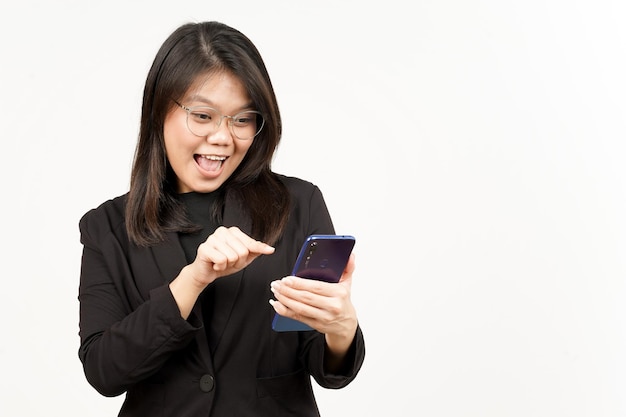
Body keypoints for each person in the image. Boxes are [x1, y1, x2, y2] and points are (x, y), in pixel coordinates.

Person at [77, 21, 365, 416]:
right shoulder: (106, 227)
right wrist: (193, 280)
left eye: (242, 119)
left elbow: (324, 364)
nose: (223, 138)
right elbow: (104, 371)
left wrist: (341, 327)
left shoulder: (299, 204)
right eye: (203, 115)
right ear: (159, 110)